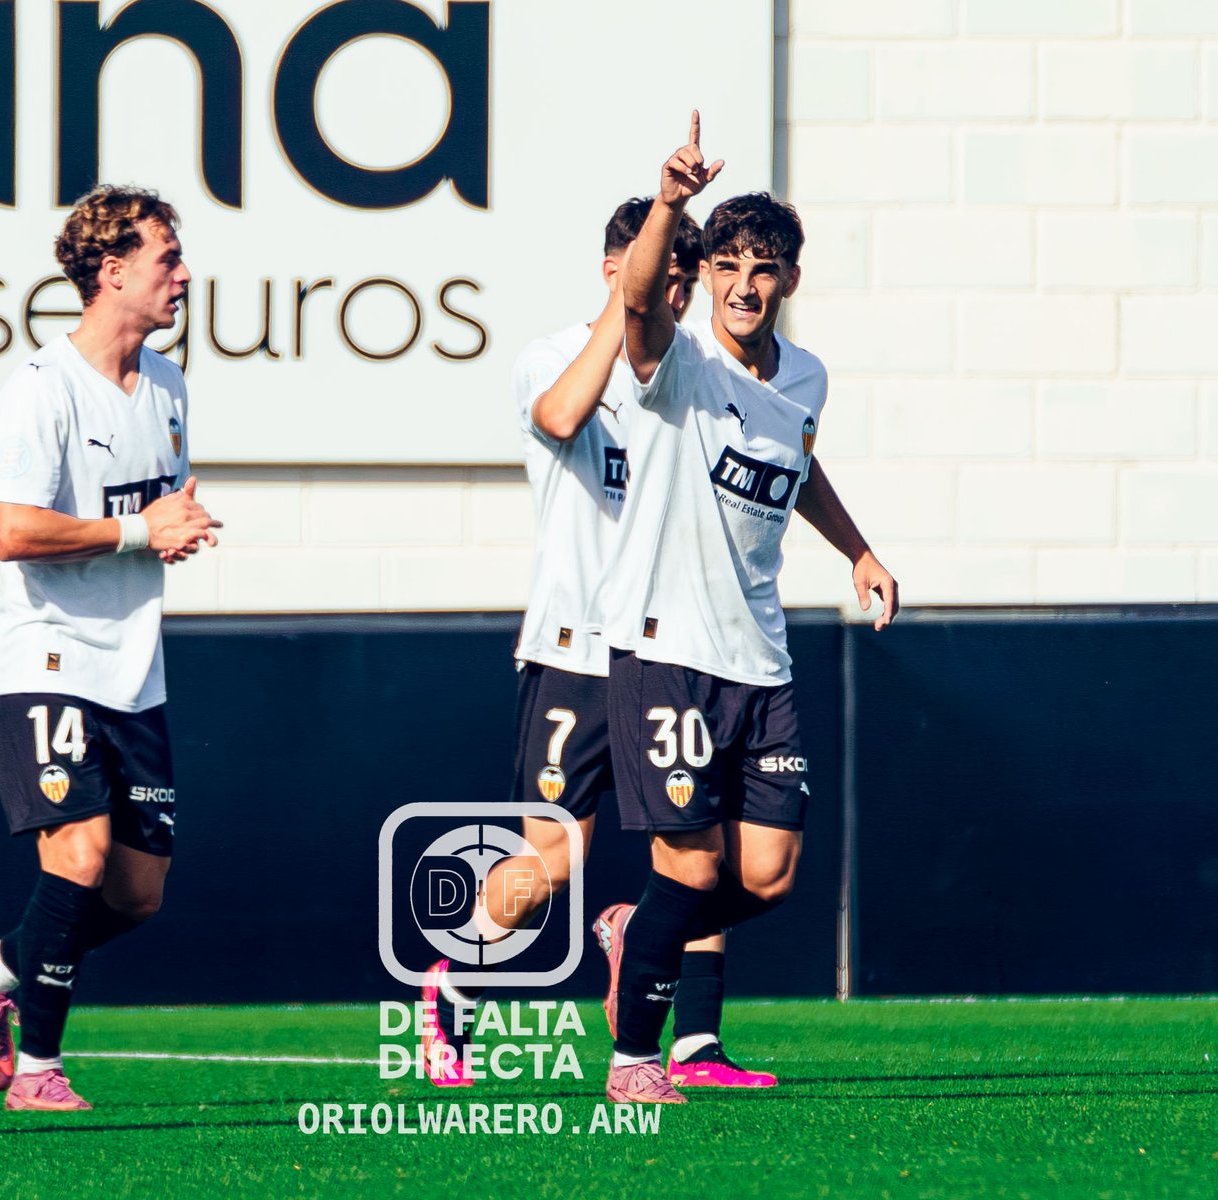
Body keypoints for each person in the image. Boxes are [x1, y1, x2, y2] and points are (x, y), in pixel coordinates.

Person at [420, 198, 774, 1090]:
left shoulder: (699, 373)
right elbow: (558, 418)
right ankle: (450, 986)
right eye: (662, 272)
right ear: (616, 267)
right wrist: (625, 319)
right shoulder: (557, 354)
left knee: (699, 841)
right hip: (577, 647)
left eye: (686, 278)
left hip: (679, 643)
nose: (677, 290)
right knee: (555, 853)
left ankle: (693, 1041)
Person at [594, 114, 899, 1104]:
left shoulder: (803, 377)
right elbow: (638, 298)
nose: (740, 284)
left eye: (761, 267)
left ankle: (631, 932)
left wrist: (856, 550)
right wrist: (669, 201)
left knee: (764, 874)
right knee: (686, 868)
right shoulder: (679, 360)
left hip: (758, 658)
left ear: (789, 280)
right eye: (724, 263)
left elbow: (797, 467)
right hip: (668, 649)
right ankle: (636, 1061)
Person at [0, 186, 217, 1113]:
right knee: (80, 856)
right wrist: (143, 532)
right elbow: (13, 531)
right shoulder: (42, 387)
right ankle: (39, 1071)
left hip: (135, 669)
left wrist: (174, 527)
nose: (182, 274)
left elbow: (154, 513)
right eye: (167, 259)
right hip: (45, 658)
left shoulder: (170, 384)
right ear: (111, 271)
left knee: (137, 894)